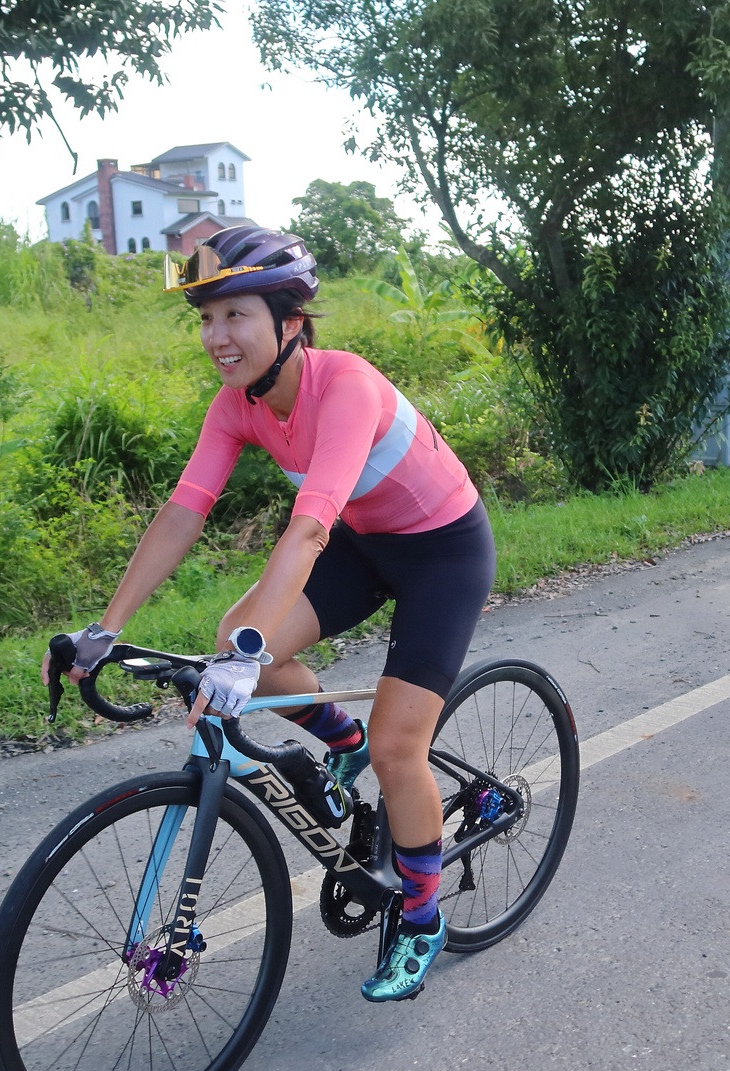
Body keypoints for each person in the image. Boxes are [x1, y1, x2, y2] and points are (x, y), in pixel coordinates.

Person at [42, 226, 495, 1004]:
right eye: (206, 319)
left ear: (291, 322)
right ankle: (341, 741)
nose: (217, 336)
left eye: (236, 315)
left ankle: (421, 919)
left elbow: (308, 528)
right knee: (233, 642)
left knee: (398, 746)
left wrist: (247, 655)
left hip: (441, 553)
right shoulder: (236, 406)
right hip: (362, 543)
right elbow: (183, 512)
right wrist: (105, 628)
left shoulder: (345, 386)